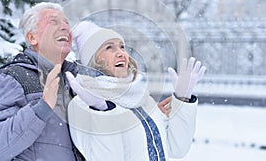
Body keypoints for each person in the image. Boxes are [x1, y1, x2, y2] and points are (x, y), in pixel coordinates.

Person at [66, 21, 206, 161]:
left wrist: (183, 99)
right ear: (91, 60)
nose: (121, 53)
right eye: (109, 48)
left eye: (122, 47)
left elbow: (176, 148)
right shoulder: (83, 103)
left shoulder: (139, 98)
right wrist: (101, 112)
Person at [0, 2, 83, 161]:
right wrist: (43, 107)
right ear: (32, 37)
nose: (64, 27)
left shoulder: (78, 79)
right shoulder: (13, 77)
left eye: (66, 22)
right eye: (53, 22)